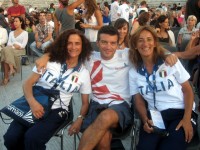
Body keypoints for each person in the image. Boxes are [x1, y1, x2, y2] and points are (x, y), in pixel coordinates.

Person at [35, 25, 178, 150]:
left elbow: (148, 48)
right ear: (97, 42)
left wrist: (166, 54)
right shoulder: (89, 57)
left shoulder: (126, 55)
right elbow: (65, 51)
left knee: (106, 116)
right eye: (104, 42)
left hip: (120, 107)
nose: (108, 47)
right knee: (103, 140)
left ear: (118, 44)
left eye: (112, 43)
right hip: (96, 105)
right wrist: (46, 56)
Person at [3, 29, 92, 150]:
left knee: (32, 139)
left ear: (83, 46)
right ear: (63, 45)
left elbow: (86, 102)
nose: (73, 47)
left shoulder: (84, 73)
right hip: (34, 101)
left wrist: (80, 119)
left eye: (77, 43)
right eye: (69, 43)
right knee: (10, 138)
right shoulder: (49, 61)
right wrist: (33, 103)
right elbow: (27, 84)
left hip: (58, 110)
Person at [129, 26, 196, 150]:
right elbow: (137, 99)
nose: (145, 44)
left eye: (149, 39)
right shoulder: (134, 71)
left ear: (154, 43)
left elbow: (188, 90)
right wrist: (144, 120)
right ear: (135, 45)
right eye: (140, 40)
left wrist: (187, 119)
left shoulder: (169, 61)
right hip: (155, 116)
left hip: (180, 111)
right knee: (145, 147)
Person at [1, 16, 28, 85]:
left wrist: (17, 46)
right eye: (14, 21)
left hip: (20, 50)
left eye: (16, 21)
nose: (15, 23)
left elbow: (23, 45)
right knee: (6, 50)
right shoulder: (11, 32)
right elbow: (9, 43)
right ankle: (11, 69)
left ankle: (6, 77)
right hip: (11, 49)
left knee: (4, 51)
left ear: (21, 22)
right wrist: (14, 45)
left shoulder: (25, 33)